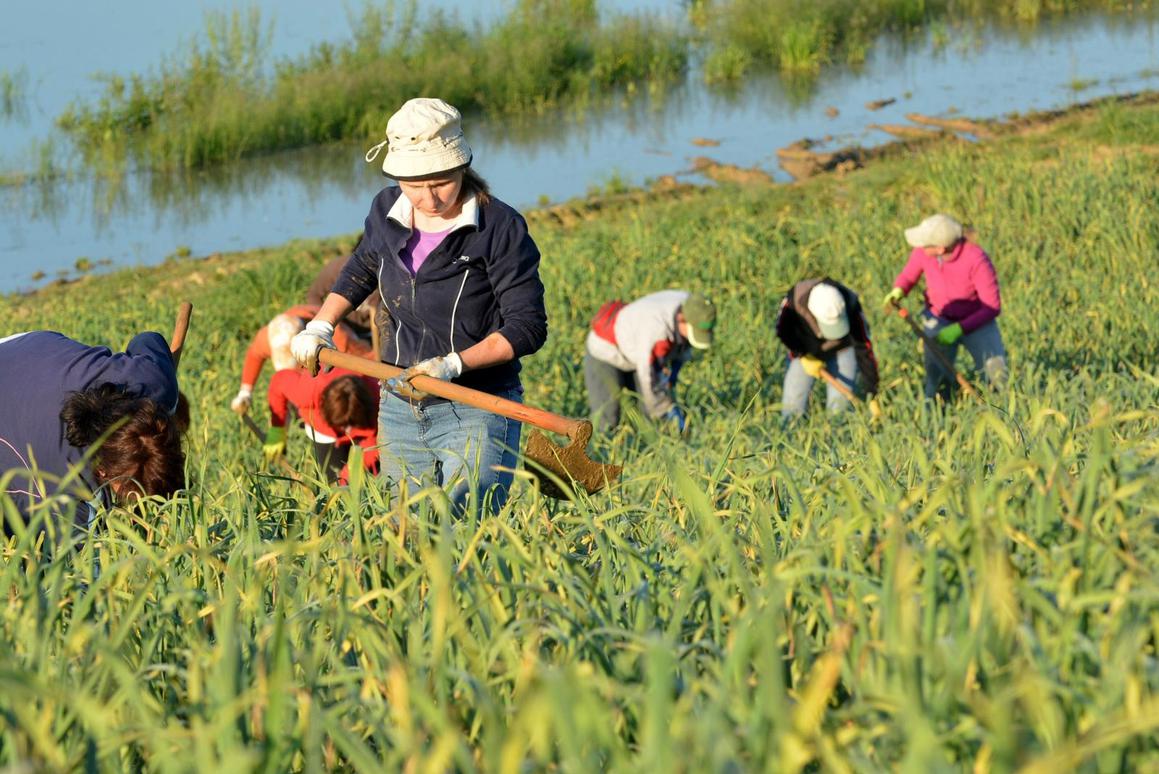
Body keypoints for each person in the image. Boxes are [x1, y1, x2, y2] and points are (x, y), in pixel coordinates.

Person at [290, 97, 548, 513]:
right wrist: (321, 324)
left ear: (462, 165)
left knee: (468, 524)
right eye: (414, 184)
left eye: (441, 181)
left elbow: (527, 327)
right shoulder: (385, 210)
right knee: (406, 528)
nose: (428, 197)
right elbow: (363, 267)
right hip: (400, 401)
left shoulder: (499, 228)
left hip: (477, 404)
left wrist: (454, 364)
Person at [0, 330, 188, 538]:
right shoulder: (71, 491)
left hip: (27, 347)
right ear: (102, 471)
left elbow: (147, 339)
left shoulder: (155, 383)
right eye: (128, 494)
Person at [883, 213, 1007, 400]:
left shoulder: (976, 259)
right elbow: (909, 275)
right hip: (939, 320)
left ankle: (1001, 410)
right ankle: (939, 411)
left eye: (925, 243)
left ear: (940, 248)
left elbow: (992, 307)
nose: (920, 246)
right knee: (936, 376)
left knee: (996, 374)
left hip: (978, 323)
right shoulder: (922, 253)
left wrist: (959, 329)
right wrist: (899, 289)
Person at [583, 290, 716, 433]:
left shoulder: (696, 306)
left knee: (647, 412)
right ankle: (600, 452)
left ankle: (647, 445)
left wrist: (669, 384)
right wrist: (665, 411)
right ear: (682, 318)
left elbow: (680, 354)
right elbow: (648, 379)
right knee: (608, 416)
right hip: (606, 352)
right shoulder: (655, 331)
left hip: (635, 349)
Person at [229, 304, 373, 415]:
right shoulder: (269, 337)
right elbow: (254, 356)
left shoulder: (339, 340)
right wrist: (245, 393)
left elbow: (368, 363)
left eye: (297, 366)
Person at [775, 278, 878, 417]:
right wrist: (800, 355)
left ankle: (838, 434)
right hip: (806, 352)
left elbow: (864, 347)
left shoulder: (849, 302)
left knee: (840, 410)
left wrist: (872, 392)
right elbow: (784, 333)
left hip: (842, 349)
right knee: (792, 405)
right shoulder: (793, 305)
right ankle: (788, 434)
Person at [262, 367, 380, 484]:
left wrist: (348, 477)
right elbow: (279, 381)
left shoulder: (378, 402)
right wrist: (277, 428)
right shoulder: (309, 390)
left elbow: (374, 443)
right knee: (333, 478)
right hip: (322, 431)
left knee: (371, 474)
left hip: (366, 429)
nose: (346, 430)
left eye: (348, 426)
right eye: (342, 425)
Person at [307, 253, 380, 340]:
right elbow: (314, 295)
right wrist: (329, 323)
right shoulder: (334, 269)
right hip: (342, 332)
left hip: (374, 333)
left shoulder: (382, 275)